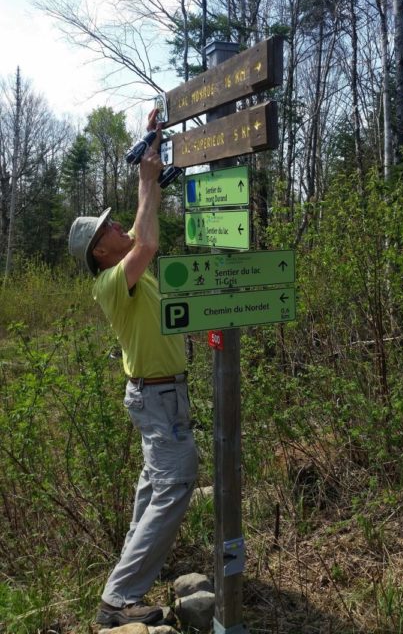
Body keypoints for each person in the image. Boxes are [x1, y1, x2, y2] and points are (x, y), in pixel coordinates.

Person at [68, 109, 198, 628]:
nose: (119, 225)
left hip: (165, 394)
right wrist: (146, 178)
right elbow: (147, 240)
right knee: (177, 482)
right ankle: (118, 599)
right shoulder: (109, 284)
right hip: (157, 398)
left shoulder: (133, 277)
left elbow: (144, 229)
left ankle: (124, 583)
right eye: (110, 227)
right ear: (102, 250)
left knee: (153, 487)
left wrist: (155, 145)